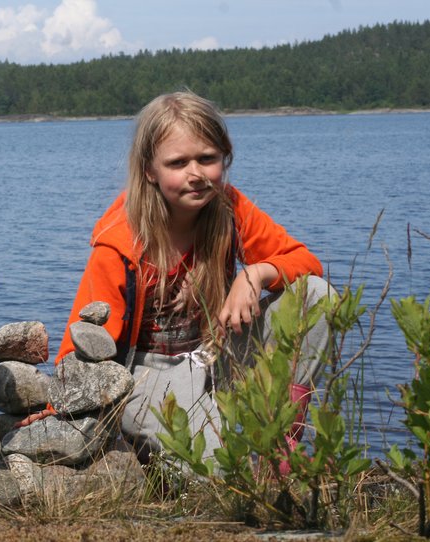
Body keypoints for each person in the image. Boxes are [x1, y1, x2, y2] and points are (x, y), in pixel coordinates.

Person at [28, 90, 334, 466]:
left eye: (208, 159)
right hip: (147, 372)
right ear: (149, 170)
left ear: (225, 156)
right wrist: (55, 407)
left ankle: (283, 444)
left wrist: (255, 274)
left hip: (216, 354)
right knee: (218, 470)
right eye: (177, 163)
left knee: (315, 295)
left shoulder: (229, 207)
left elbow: (307, 262)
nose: (196, 175)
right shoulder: (120, 242)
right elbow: (86, 337)